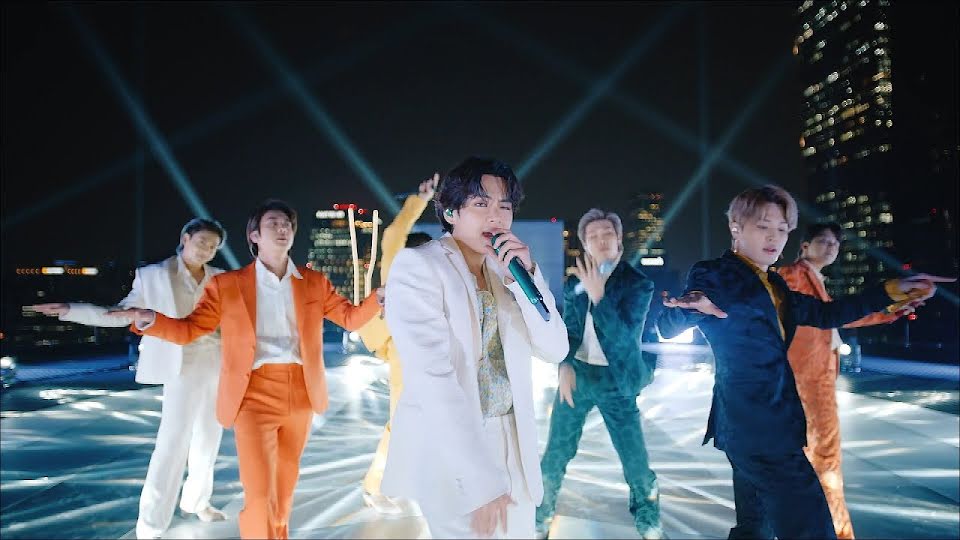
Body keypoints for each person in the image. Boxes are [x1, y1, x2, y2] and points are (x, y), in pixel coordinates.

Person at [656, 185, 950, 540]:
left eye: (782, 229)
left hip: (760, 425)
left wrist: (889, 292)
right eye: (763, 226)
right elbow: (672, 320)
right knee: (811, 527)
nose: (774, 237)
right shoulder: (716, 274)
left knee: (756, 528)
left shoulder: (776, 285)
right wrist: (688, 308)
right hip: (758, 428)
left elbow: (828, 314)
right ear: (736, 226)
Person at [110, 200, 382, 539]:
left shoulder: (313, 281)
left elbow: (350, 318)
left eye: (287, 224)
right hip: (253, 394)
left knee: (283, 492)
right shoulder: (228, 285)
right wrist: (151, 320)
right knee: (259, 495)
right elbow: (190, 329)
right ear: (254, 235)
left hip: (301, 393)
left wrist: (379, 298)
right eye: (273, 223)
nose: (283, 229)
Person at [380, 157, 569, 538]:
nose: (495, 216)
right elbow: (433, 378)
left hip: (513, 443)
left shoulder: (508, 271)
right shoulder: (419, 266)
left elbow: (555, 349)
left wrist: (528, 277)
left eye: (505, 206)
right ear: (451, 212)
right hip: (451, 450)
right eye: (481, 204)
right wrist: (480, 480)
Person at [28, 218, 229, 539]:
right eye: (202, 241)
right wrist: (70, 310)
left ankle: (197, 501)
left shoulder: (220, 278)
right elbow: (119, 315)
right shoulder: (153, 276)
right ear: (185, 238)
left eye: (213, 246)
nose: (206, 249)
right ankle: (151, 523)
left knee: (209, 437)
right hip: (180, 367)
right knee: (172, 442)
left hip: (217, 364)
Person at [777, 222, 916, 539]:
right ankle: (836, 531)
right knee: (824, 461)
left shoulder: (815, 281)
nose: (831, 247)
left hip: (814, 379)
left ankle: (816, 527)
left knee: (813, 460)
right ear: (804, 246)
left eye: (835, 244)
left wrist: (893, 309)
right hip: (807, 381)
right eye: (824, 241)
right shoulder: (792, 276)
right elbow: (821, 314)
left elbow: (839, 315)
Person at [536, 208, 661, 539]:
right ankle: (540, 518)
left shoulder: (638, 285)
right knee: (555, 454)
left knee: (635, 460)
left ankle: (648, 518)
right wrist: (564, 364)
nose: (601, 240)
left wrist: (599, 297)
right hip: (578, 376)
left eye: (607, 234)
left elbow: (625, 340)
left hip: (617, 381)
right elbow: (570, 329)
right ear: (585, 244)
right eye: (593, 236)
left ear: (619, 240)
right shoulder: (574, 281)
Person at [358, 173, 437, 513]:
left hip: (432, 358)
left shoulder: (434, 281)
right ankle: (374, 486)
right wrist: (420, 202)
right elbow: (393, 234)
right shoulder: (397, 268)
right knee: (402, 422)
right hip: (405, 356)